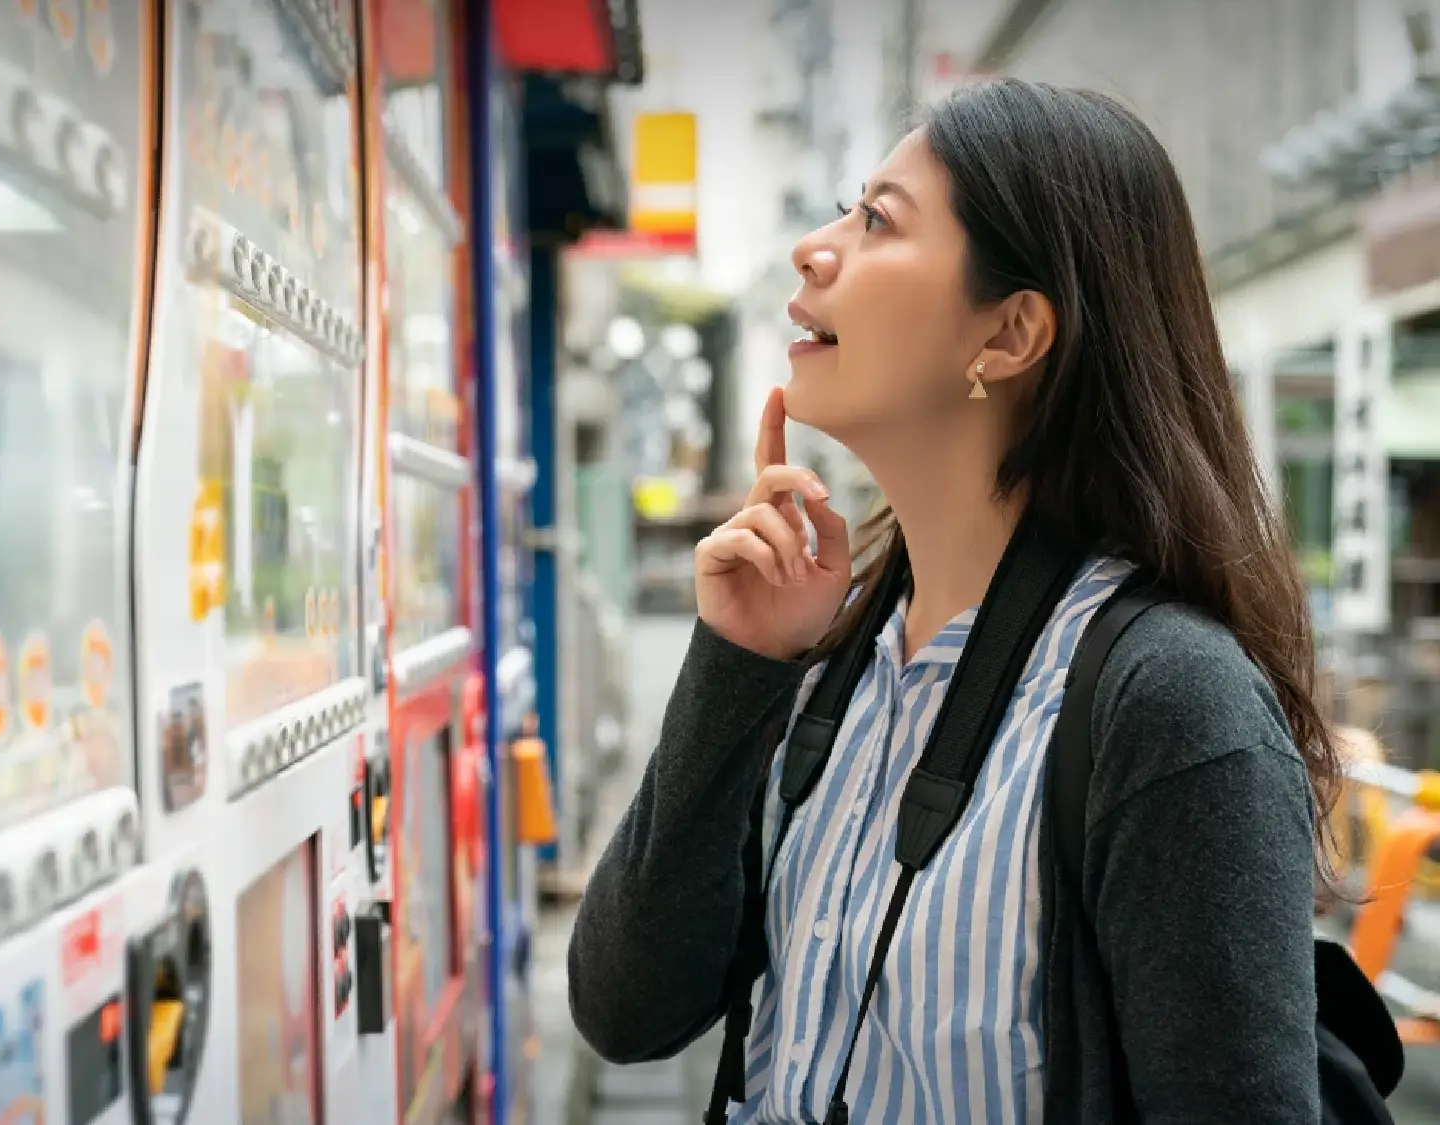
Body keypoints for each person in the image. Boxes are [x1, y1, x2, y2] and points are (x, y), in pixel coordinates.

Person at [566, 79, 1333, 1124]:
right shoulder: (835, 652)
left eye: (878, 221)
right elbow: (623, 1010)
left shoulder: (1167, 708)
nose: (813, 249)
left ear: (1009, 334)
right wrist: (736, 664)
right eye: (845, 209)